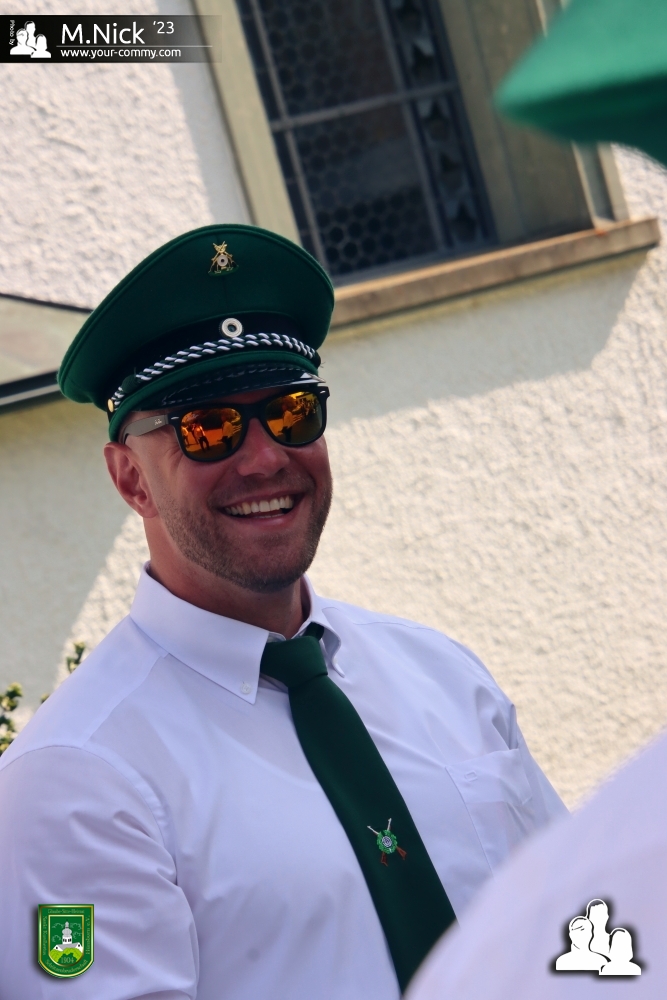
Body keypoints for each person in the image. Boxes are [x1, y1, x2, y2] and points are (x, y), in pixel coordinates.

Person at [0, 225, 565, 999]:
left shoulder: (440, 672)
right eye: (208, 429)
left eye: (292, 412)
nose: (265, 457)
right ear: (131, 479)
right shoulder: (77, 781)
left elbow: (579, 926)